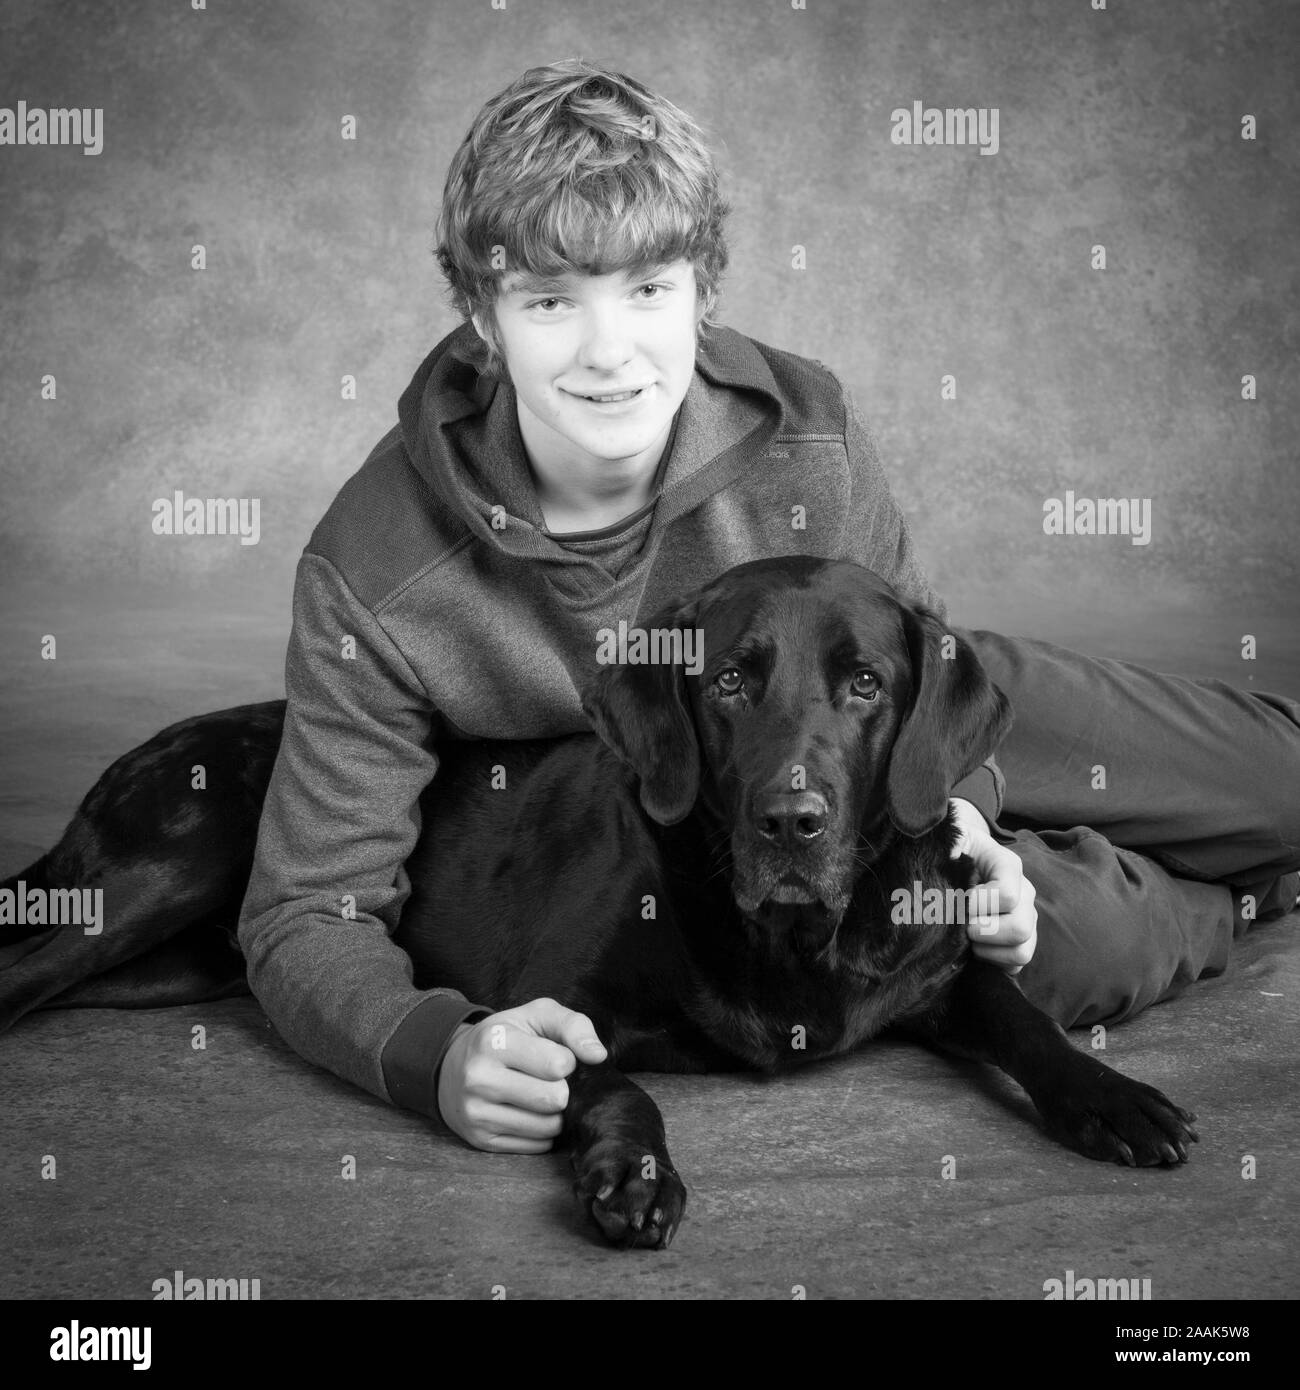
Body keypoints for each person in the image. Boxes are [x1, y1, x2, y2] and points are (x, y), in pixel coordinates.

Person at [237, 59, 1299, 1155]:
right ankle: (1239, 904)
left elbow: (923, 696)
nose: (608, 351)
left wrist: (977, 825)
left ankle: (1234, 853)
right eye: (550, 301)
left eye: (648, 289)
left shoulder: (807, 436)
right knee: (1059, 950)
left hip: (886, 710)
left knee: (1278, 786)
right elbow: (307, 907)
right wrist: (428, 1053)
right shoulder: (373, 570)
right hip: (708, 814)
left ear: (704, 289)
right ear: (480, 316)